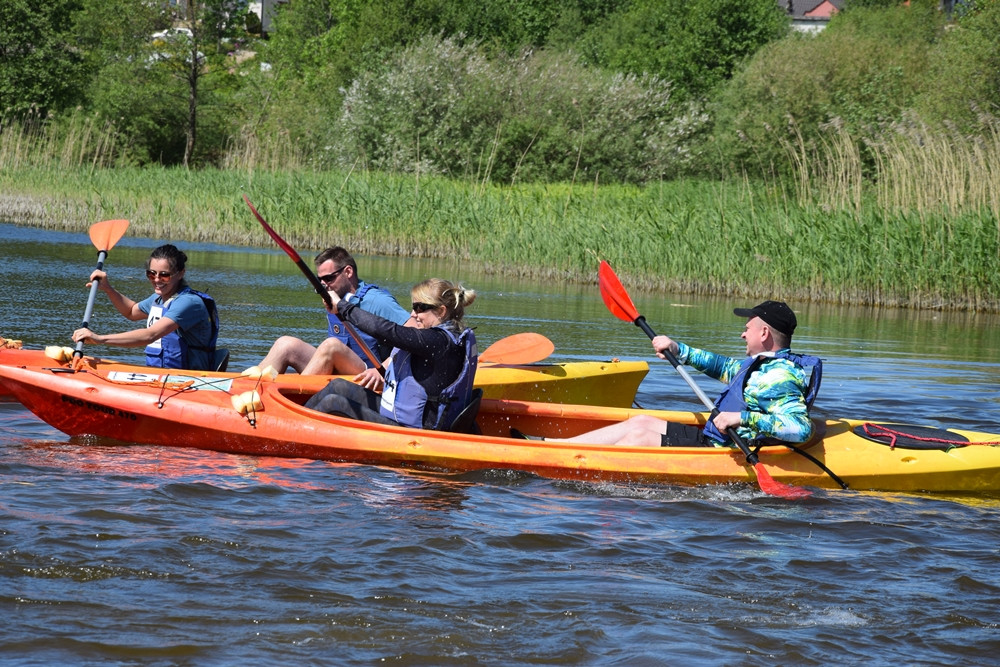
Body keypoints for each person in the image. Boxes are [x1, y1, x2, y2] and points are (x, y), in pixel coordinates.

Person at [514, 300, 821, 447]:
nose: (743, 334)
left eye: (747, 328)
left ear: (764, 334)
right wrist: (679, 350)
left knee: (639, 436)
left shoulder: (779, 376)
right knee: (641, 421)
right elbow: (723, 367)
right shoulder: (760, 364)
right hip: (715, 438)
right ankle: (552, 446)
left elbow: (800, 429)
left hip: (727, 449)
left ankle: (560, 457)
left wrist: (742, 418)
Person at [304, 278, 478, 431]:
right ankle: (294, 421)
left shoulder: (438, 342)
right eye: (413, 307)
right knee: (338, 386)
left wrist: (343, 307)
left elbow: (384, 330)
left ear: (441, 311)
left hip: (414, 433)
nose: (413, 314)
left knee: (333, 402)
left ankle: (297, 435)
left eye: (419, 308)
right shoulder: (442, 338)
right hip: (398, 419)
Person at [257, 246, 410, 375]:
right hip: (339, 370)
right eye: (320, 281)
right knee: (285, 344)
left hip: (368, 374)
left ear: (348, 272)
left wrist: (384, 369)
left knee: (331, 346)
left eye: (329, 279)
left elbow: (414, 333)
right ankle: (251, 390)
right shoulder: (334, 297)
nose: (324, 286)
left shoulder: (378, 300)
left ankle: (294, 393)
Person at [72, 244, 220, 371]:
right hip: (159, 376)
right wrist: (108, 289)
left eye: (164, 275)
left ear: (181, 273)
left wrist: (100, 339)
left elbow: (150, 335)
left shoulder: (188, 303)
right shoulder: (159, 299)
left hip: (188, 379)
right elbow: (131, 311)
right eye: (151, 274)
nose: (157, 280)